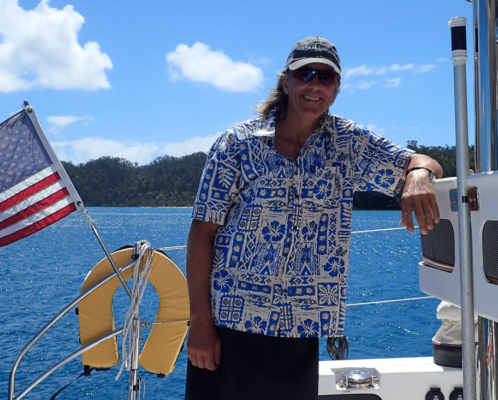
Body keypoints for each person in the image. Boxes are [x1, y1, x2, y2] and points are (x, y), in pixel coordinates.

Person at [184, 36, 443, 400]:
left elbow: (421, 161)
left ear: (336, 88)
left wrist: (417, 176)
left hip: (300, 330)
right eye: (306, 73)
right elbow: (201, 234)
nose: (315, 84)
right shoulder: (237, 144)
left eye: (327, 77)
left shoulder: (347, 143)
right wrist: (200, 325)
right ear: (286, 81)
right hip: (230, 326)